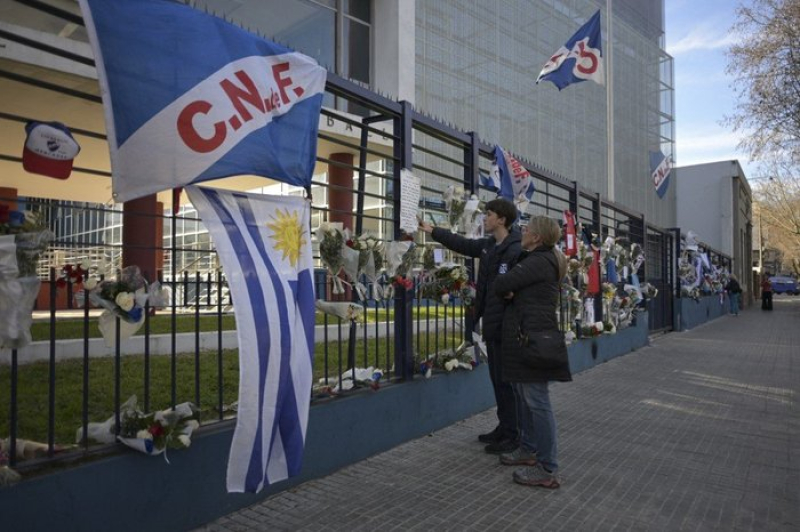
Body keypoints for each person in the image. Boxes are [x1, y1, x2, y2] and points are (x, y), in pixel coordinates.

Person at [418, 198, 522, 454]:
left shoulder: (515, 249)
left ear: (502, 219)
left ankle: (514, 433)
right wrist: (433, 231)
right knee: (497, 378)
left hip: (507, 325)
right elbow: (463, 244)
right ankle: (504, 426)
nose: (484, 218)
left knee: (507, 381)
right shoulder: (489, 245)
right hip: (491, 322)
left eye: (489, 214)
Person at [494, 215, 570, 489]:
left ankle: (548, 468)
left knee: (537, 401)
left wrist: (511, 290)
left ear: (537, 237)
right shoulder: (540, 259)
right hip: (527, 336)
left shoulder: (538, 261)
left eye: (527, 230)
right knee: (525, 397)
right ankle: (528, 450)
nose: (522, 232)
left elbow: (501, 283)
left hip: (533, 339)